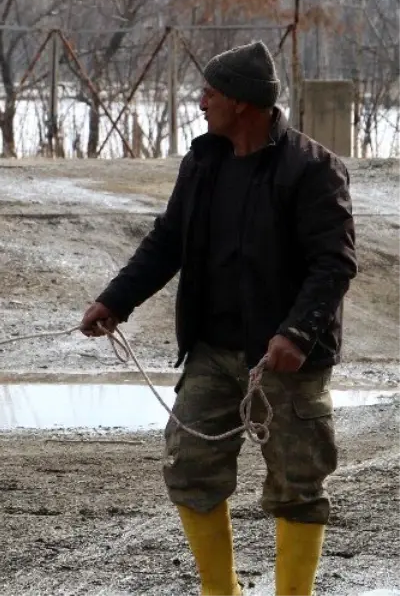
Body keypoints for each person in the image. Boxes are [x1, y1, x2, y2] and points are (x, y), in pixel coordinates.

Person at [79, 40, 357, 596]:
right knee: (190, 471)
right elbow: (166, 243)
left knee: (297, 487)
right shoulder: (203, 161)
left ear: (243, 103)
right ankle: (220, 592)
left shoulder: (314, 170)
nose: (201, 101)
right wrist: (115, 301)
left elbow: (334, 264)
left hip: (288, 362)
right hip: (211, 352)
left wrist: (297, 334)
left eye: (211, 92)